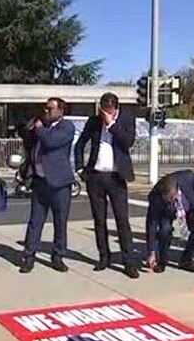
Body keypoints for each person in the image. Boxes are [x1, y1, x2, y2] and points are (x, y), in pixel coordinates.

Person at [74, 92, 140, 279]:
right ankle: (104, 257)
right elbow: (79, 145)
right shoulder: (93, 122)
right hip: (96, 176)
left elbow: (128, 142)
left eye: (108, 110)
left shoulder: (126, 120)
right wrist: (80, 168)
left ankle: (129, 263)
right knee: (99, 220)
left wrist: (111, 124)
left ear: (115, 109)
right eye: (102, 110)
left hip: (116, 177)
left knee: (122, 221)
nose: (104, 113)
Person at [20, 97, 74, 273]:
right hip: (40, 182)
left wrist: (40, 129)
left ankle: (57, 256)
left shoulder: (66, 127)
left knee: (60, 222)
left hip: (59, 183)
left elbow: (51, 142)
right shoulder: (39, 126)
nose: (46, 111)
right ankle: (29, 256)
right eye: (45, 108)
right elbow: (28, 143)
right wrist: (29, 130)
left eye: (50, 109)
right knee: (35, 221)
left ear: (60, 111)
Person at [145, 170, 194, 273]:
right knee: (164, 230)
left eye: (172, 198)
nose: (171, 201)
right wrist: (151, 251)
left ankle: (186, 260)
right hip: (166, 212)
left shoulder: (188, 177)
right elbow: (151, 224)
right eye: (168, 199)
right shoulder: (155, 197)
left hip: (188, 207)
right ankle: (162, 260)